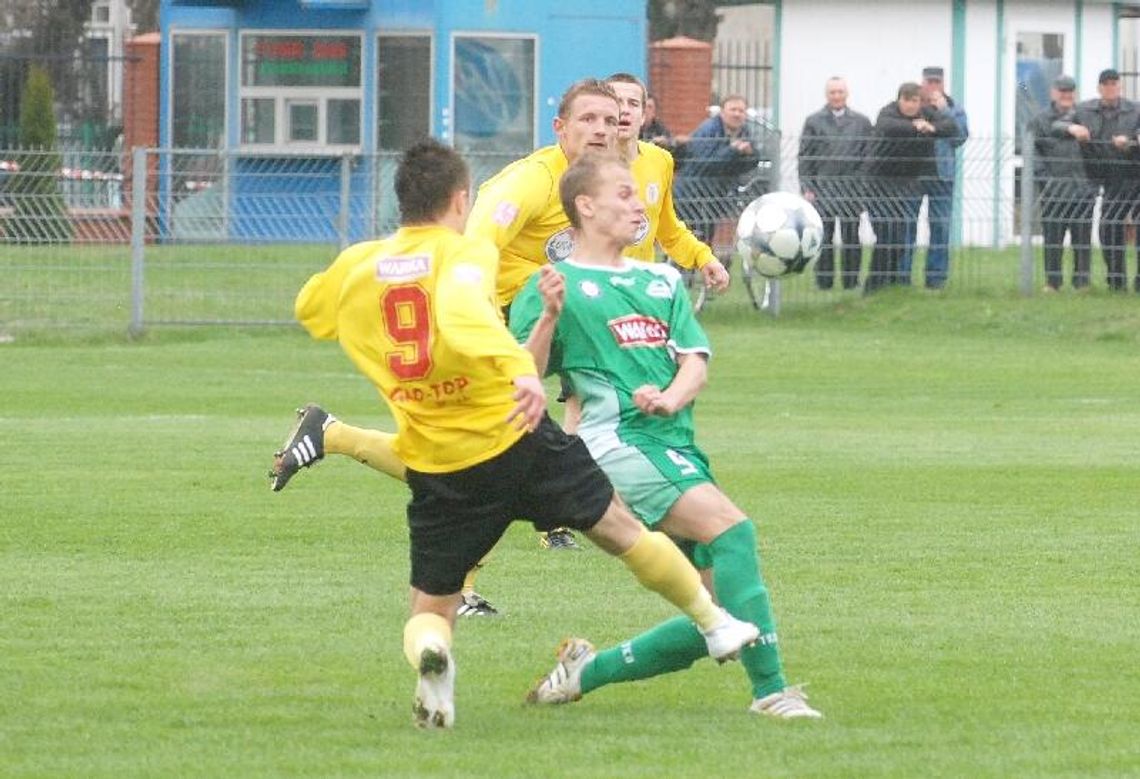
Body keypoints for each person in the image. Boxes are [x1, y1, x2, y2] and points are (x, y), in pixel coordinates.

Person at [294, 138, 759, 730]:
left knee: (430, 608)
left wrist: (357, 311)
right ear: (461, 199)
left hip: (440, 464)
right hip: (515, 437)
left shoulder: (357, 265)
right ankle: (716, 624)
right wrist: (520, 371)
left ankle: (433, 662)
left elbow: (311, 308)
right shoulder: (465, 255)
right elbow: (463, 313)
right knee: (621, 530)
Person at [271, 76, 728, 610]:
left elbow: (662, 230)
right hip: (512, 325)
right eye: (597, 116)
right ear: (562, 127)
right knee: (491, 456)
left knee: (576, 442)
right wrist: (477, 317)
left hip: (589, 322)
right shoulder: (531, 182)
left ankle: (641, 534)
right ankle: (480, 572)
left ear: (642, 115)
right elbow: (476, 241)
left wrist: (698, 258)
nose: (611, 124)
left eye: (622, 112)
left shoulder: (649, 168)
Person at [510, 151, 822, 719]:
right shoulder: (555, 284)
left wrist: (670, 398)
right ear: (586, 206)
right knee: (734, 533)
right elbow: (520, 375)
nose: (639, 203)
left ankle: (587, 670)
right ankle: (772, 693)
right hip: (617, 444)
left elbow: (694, 362)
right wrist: (549, 317)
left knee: (715, 606)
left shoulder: (659, 278)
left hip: (673, 443)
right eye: (625, 194)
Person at [864, 82, 958, 294]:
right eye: (906, 100)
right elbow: (888, 126)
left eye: (914, 100)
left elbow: (952, 127)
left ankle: (891, 285)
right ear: (899, 100)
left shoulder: (927, 113)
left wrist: (932, 127)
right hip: (879, 183)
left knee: (899, 234)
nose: (910, 105)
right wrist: (916, 126)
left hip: (906, 183)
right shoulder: (887, 113)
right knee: (885, 234)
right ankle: (873, 286)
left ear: (920, 101)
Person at [798, 76, 873, 290]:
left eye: (840, 92)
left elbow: (868, 157)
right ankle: (824, 282)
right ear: (827, 95)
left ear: (846, 94)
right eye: (833, 92)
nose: (837, 96)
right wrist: (807, 187)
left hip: (852, 190)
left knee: (851, 237)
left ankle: (851, 282)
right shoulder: (814, 121)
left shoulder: (861, 122)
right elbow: (805, 157)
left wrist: (862, 187)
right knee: (824, 238)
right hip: (823, 189)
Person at [899, 66, 969, 289]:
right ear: (922, 83)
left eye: (936, 82)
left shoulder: (954, 108)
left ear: (943, 83)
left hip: (942, 175)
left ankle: (936, 279)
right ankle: (902, 278)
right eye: (929, 82)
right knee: (907, 226)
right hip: (914, 175)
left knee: (940, 226)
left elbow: (960, 138)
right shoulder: (914, 105)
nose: (932, 86)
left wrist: (944, 112)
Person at [674, 94, 770, 252]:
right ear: (722, 112)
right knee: (686, 239)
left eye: (741, 110)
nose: (737, 114)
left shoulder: (744, 131)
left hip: (714, 195)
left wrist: (749, 154)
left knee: (705, 241)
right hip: (690, 194)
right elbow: (705, 163)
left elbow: (750, 162)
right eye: (733, 109)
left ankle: (697, 274)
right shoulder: (709, 129)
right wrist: (732, 150)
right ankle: (678, 272)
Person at [1028, 74, 1097, 291]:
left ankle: (1082, 283)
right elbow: (1032, 153)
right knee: (1053, 238)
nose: (1066, 95)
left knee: (1082, 239)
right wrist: (1046, 181)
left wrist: (1092, 183)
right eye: (1062, 91)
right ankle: (1052, 282)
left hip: (1082, 188)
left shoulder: (1085, 117)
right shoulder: (1039, 120)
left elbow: (1096, 151)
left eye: (1070, 91)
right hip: (1053, 191)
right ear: (1053, 92)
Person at [1075, 68, 1140, 292]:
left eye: (1114, 83)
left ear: (1120, 86)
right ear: (1099, 87)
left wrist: (1131, 141)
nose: (1110, 88)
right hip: (1110, 179)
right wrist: (1072, 128)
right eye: (1106, 84)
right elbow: (1058, 123)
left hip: (1135, 175)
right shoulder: (1084, 110)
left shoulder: (1135, 110)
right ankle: (1116, 280)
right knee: (1109, 227)